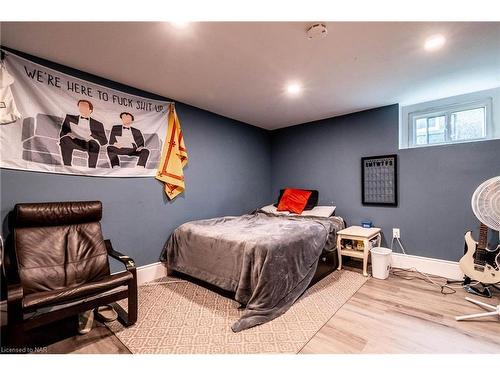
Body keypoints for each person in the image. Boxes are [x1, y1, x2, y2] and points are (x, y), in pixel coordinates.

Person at [59, 99, 107, 168]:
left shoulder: (98, 124)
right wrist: (69, 134)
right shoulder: (70, 118)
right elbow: (62, 134)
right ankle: (67, 166)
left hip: (89, 143)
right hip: (74, 140)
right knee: (65, 140)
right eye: (80, 106)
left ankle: (92, 168)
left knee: (95, 144)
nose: (82, 108)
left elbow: (104, 141)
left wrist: (92, 136)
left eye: (84, 107)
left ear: (90, 110)